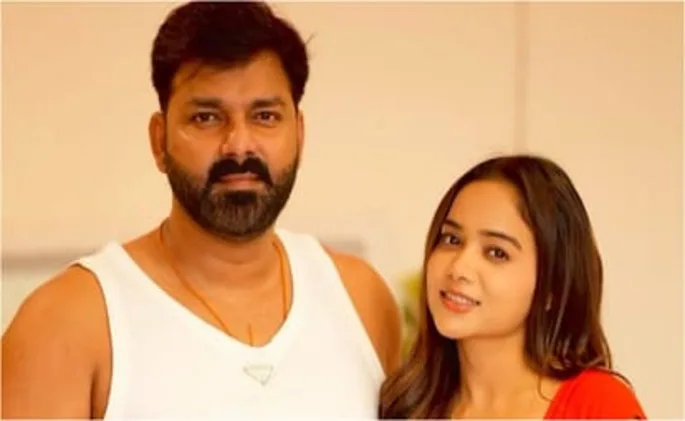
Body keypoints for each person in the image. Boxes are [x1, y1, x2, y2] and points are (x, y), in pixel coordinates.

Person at [2, 2, 401, 418]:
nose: (239, 145)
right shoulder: (69, 320)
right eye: (207, 118)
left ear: (299, 135)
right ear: (159, 141)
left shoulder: (360, 297)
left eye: (265, 116)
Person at [378, 155, 646, 419]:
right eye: (452, 239)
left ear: (552, 287)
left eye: (496, 253)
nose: (458, 268)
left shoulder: (599, 406)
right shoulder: (405, 407)